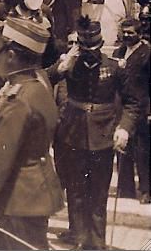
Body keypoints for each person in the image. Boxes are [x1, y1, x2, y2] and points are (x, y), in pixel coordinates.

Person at [0, 17, 65, 250]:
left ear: (12, 56)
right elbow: (0, 71)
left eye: (1, 52)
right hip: (27, 194)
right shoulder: (37, 80)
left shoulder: (19, 100)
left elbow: (1, 158)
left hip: (19, 199)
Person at [47, 15, 140, 249]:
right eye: (84, 47)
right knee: (76, 193)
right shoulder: (70, 64)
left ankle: (96, 244)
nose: (89, 52)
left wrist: (124, 128)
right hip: (73, 134)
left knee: (98, 195)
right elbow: (44, 79)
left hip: (103, 136)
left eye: (93, 48)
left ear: (101, 44)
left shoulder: (115, 67)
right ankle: (79, 239)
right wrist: (61, 66)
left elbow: (132, 102)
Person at [113, 17, 150, 204]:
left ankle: (146, 190)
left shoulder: (147, 53)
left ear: (140, 34)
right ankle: (125, 188)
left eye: (131, 33)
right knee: (123, 147)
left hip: (142, 108)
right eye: (124, 32)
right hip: (122, 107)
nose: (127, 36)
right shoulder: (118, 51)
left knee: (143, 150)